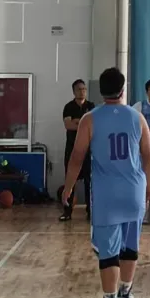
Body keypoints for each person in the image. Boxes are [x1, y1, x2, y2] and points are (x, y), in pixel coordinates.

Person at [62, 67, 150, 298]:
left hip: (107, 195)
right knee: (130, 246)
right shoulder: (137, 117)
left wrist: (68, 187)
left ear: (100, 91)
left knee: (109, 251)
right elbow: (149, 157)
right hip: (134, 191)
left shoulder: (89, 119)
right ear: (122, 90)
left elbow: (77, 157)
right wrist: (148, 185)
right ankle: (125, 294)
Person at [61, 79, 95, 222]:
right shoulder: (68, 107)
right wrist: (83, 124)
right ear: (74, 91)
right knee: (71, 181)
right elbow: (68, 125)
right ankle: (67, 212)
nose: (82, 92)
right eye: (79, 89)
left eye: (84, 89)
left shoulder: (91, 106)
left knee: (89, 182)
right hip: (72, 149)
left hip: (88, 150)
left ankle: (90, 211)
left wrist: (77, 121)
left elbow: (93, 126)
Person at [133, 78, 150, 223]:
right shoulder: (139, 107)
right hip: (143, 149)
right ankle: (144, 212)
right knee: (145, 180)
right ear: (146, 92)